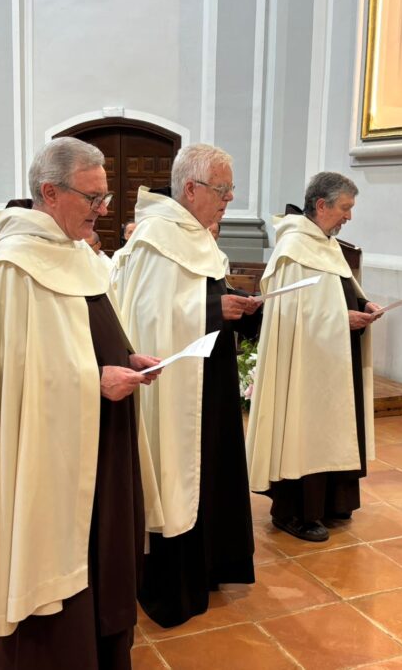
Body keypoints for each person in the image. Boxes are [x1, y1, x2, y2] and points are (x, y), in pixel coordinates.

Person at [0, 137, 164, 670]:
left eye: (105, 197)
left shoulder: (80, 255)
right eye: (93, 198)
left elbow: (84, 336)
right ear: (49, 192)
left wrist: (127, 357)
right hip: (47, 454)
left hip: (104, 439)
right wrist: (92, 381)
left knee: (106, 548)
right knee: (57, 560)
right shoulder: (15, 266)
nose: (102, 210)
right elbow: (14, 378)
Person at [112, 143, 260, 628]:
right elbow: (150, 315)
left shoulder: (195, 236)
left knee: (212, 466)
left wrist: (235, 304)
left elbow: (198, 293)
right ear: (191, 189)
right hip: (175, 384)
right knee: (180, 471)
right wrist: (217, 309)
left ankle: (212, 566)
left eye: (231, 189)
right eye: (223, 189)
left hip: (211, 379)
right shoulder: (157, 236)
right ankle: (172, 585)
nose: (229, 199)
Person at [245, 172, 381, 542]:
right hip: (305, 365)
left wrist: (364, 303)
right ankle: (295, 512)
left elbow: (340, 288)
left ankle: (333, 501)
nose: (349, 216)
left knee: (335, 425)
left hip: (336, 355)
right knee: (304, 428)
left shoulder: (326, 243)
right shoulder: (294, 249)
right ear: (321, 205)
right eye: (345, 208)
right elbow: (290, 313)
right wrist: (341, 318)